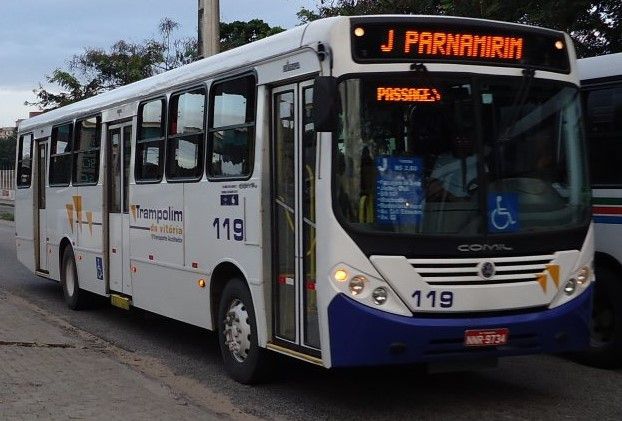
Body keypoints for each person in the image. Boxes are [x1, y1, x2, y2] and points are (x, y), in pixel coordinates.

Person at [427, 133, 478, 202]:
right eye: (458, 140)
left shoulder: (478, 162)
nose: (461, 143)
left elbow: (485, 186)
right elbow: (432, 186)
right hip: (447, 207)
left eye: (465, 140)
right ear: (453, 141)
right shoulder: (442, 161)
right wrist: (451, 197)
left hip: (474, 208)